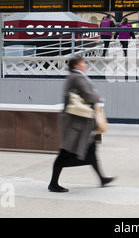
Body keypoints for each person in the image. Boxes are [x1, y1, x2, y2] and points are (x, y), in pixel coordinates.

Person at [48, 56, 114, 192]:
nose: (85, 64)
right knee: (66, 152)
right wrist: (99, 98)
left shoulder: (72, 77)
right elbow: (88, 95)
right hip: (76, 123)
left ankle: (102, 178)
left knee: (91, 150)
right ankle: (53, 183)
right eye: (83, 63)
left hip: (78, 122)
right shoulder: (78, 77)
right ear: (77, 65)